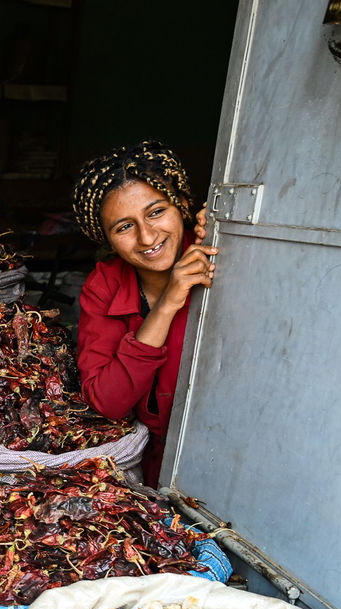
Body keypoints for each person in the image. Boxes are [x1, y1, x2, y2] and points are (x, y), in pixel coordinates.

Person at [71, 140, 217, 487]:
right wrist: (168, 302)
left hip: (220, 454)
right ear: (105, 237)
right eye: (124, 226)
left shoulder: (216, 254)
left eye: (156, 212)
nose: (147, 235)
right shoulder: (104, 285)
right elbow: (108, 402)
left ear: (181, 205)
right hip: (146, 467)